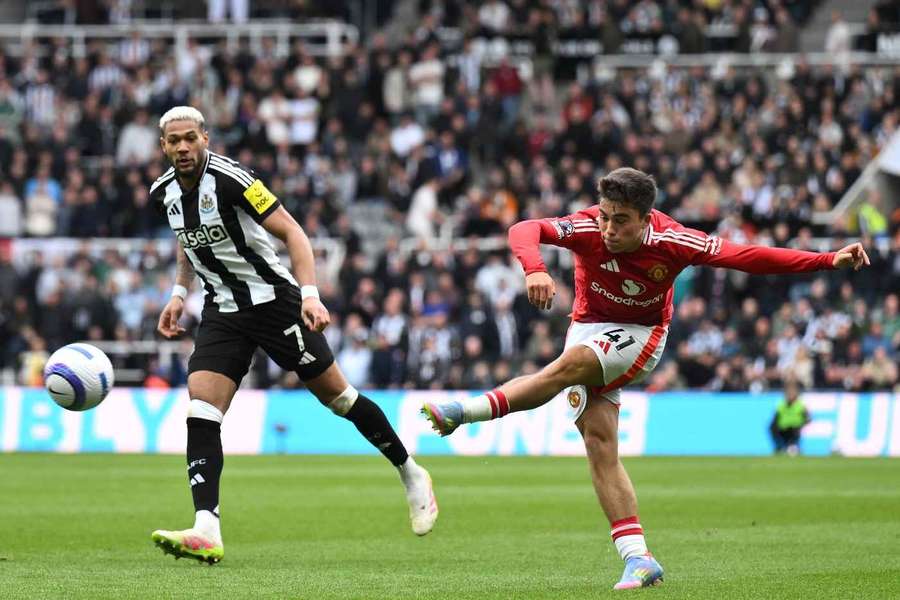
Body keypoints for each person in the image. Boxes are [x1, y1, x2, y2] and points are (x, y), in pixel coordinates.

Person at [422, 167, 870, 590]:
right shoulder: (587, 228)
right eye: (604, 217)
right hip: (587, 324)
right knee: (599, 442)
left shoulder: (673, 240)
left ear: (644, 220)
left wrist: (828, 260)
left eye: (620, 221)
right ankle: (638, 556)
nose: (608, 229)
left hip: (641, 335)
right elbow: (524, 228)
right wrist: (534, 267)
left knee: (569, 366)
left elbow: (748, 257)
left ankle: (464, 412)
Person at [149, 107, 438, 564]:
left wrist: (310, 294)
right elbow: (187, 241)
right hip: (223, 310)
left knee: (339, 399)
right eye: (174, 141)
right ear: (162, 146)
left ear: (205, 137)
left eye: (190, 138)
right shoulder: (164, 191)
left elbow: (294, 233)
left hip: (274, 301)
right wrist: (178, 292)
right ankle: (207, 526)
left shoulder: (234, 180)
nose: (183, 147)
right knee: (201, 408)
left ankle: (411, 472)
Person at [769, 380, 811, 455]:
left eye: (792, 394)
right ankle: (780, 447)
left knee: (794, 432)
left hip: (795, 428)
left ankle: (792, 446)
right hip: (783, 428)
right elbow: (775, 418)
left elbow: (808, 418)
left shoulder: (800, 405)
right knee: (772, 427)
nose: (790, 396)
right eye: (788, 394)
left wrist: (801, 424)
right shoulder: (781, 404)